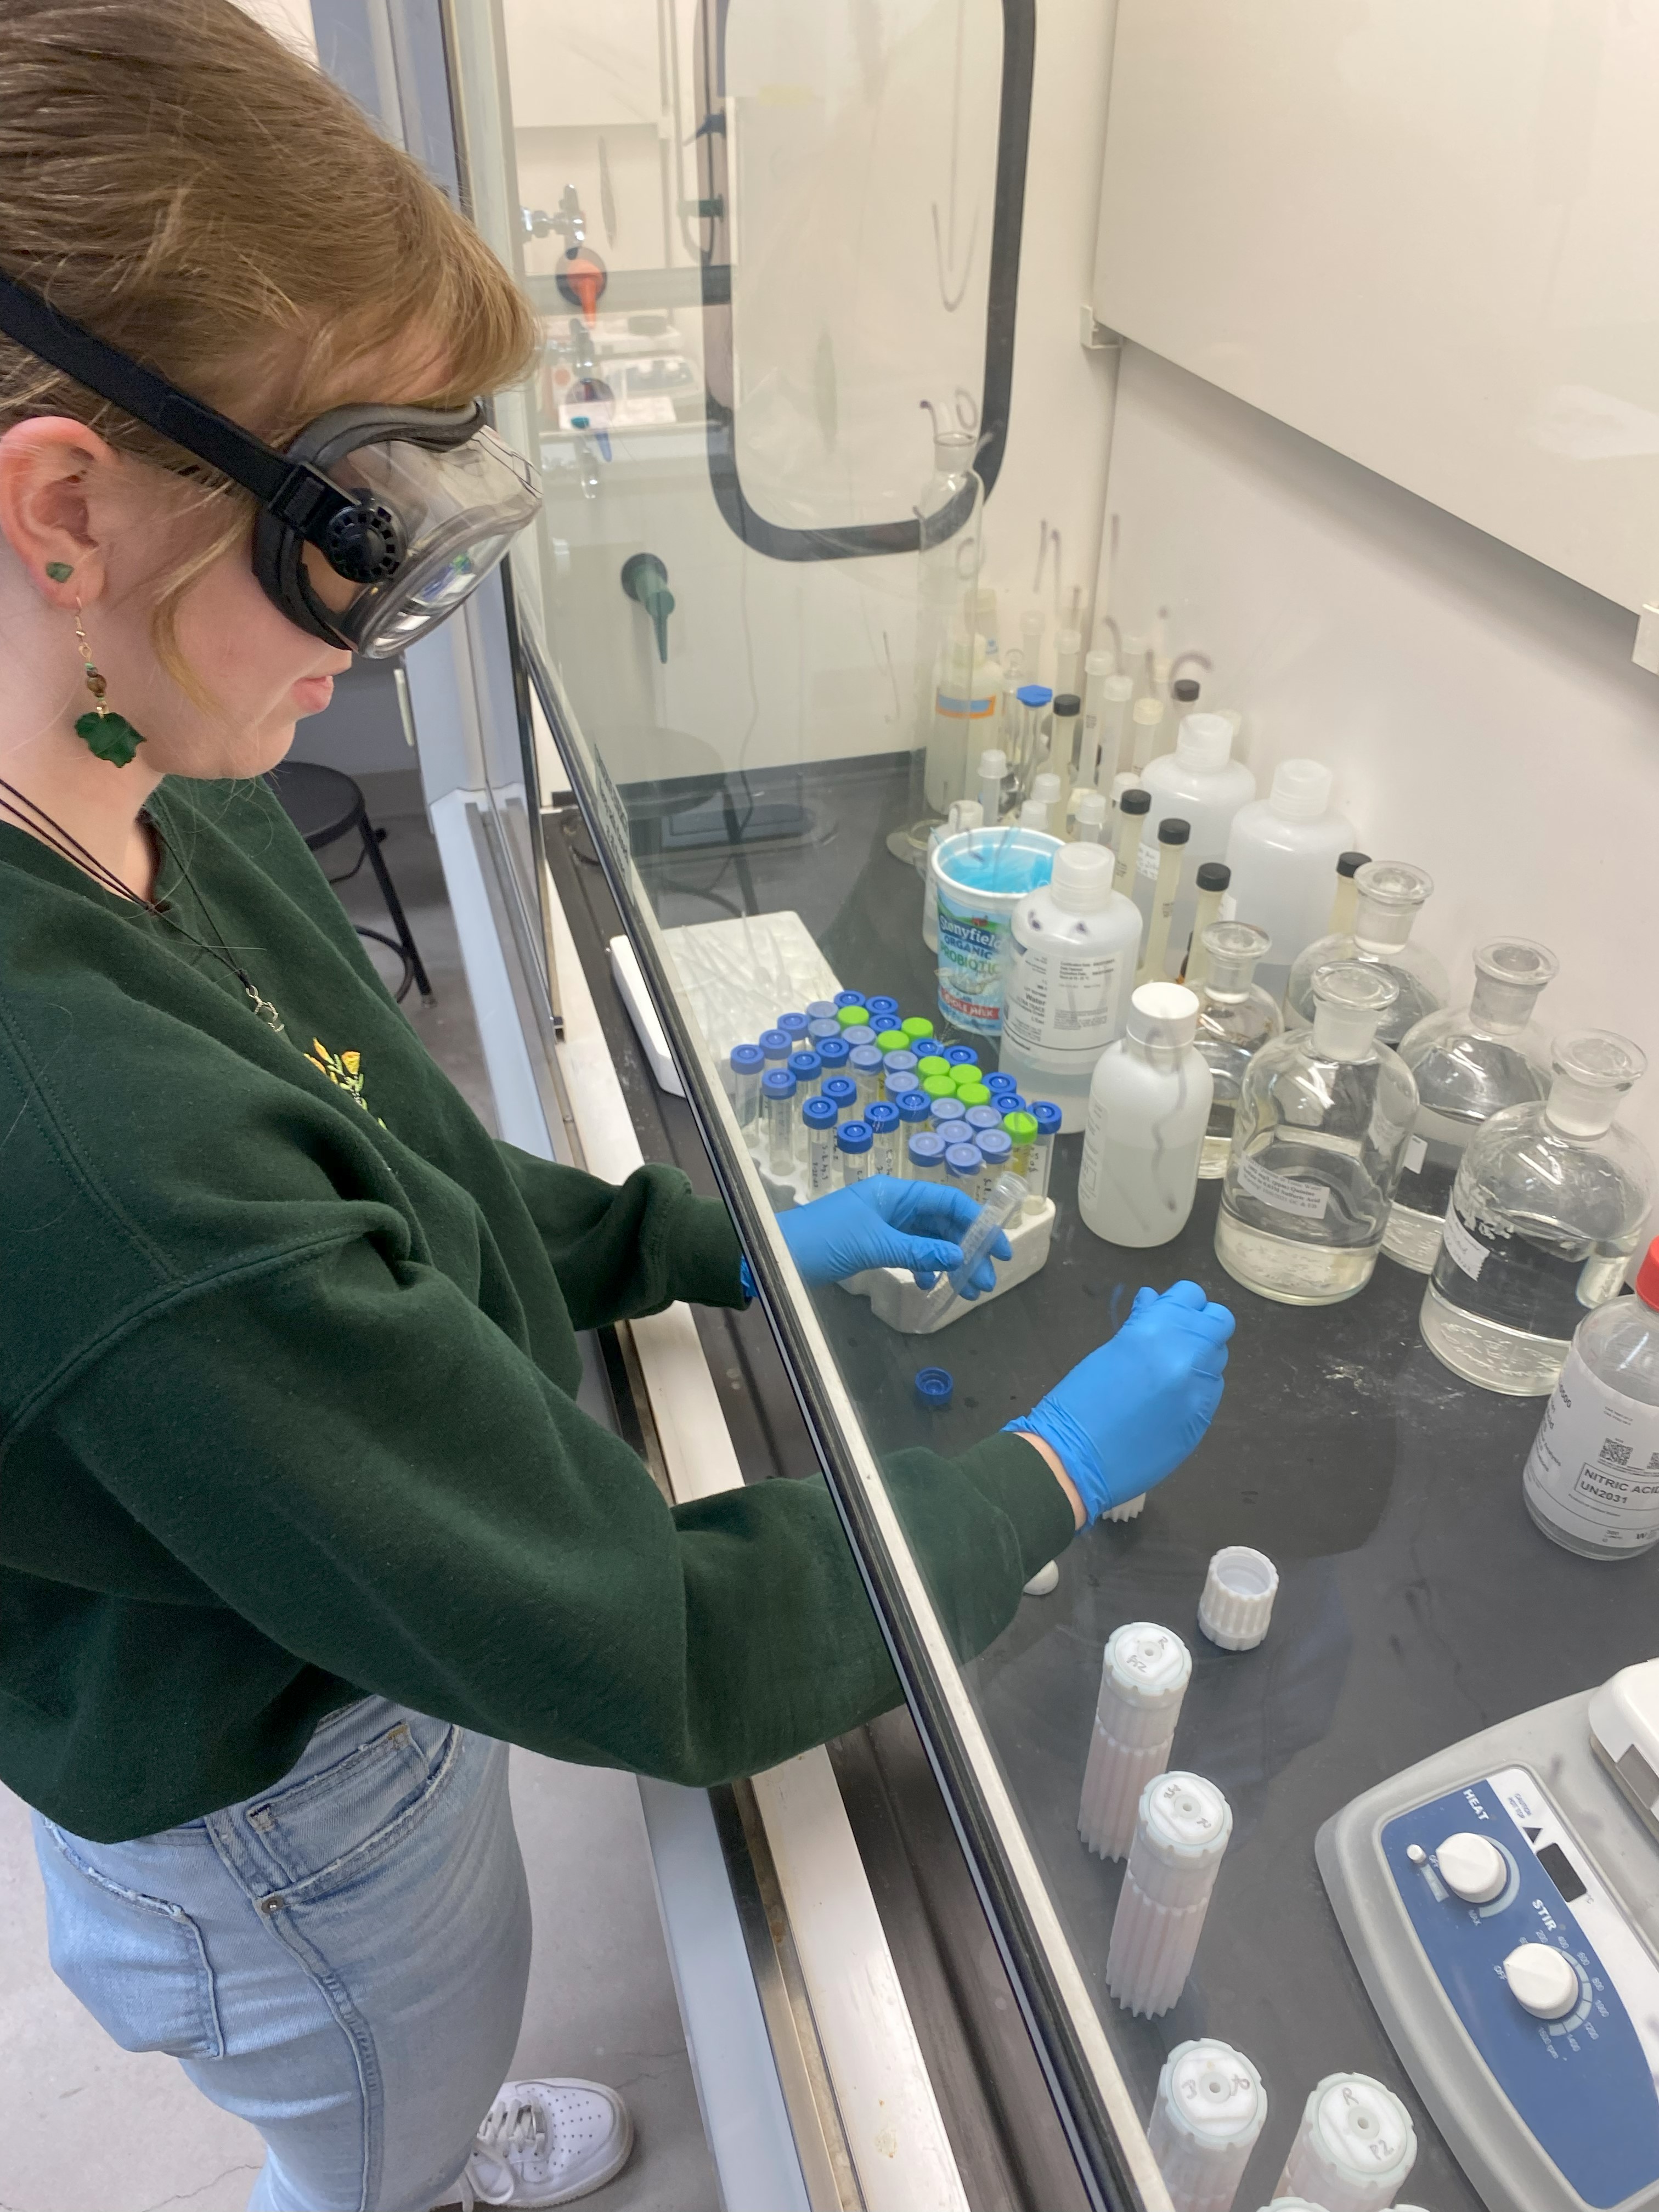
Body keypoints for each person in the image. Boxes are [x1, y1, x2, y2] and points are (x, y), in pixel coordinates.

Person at [0, 7, 1236, 2210]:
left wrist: (708, 1240)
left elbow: (404, 1170)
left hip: (322, 1627)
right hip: (274, 1831)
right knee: (375, 2107)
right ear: (71, 510)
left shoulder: (151, 767)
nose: (398, 619)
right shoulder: (91, 1145)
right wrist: (1047, 1475)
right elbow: (650, 1640)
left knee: (415, 2041)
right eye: (363, 519)